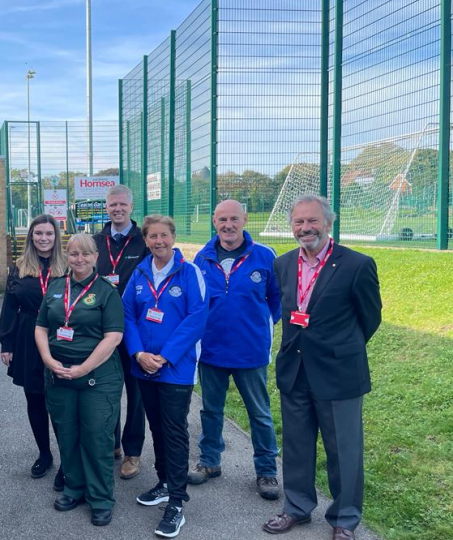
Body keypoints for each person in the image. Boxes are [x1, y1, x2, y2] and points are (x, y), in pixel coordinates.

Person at [262, 194, 382, 540]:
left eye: (312, 221)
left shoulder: (356, 264)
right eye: (299, 222)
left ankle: (344, 519)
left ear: (329, 223)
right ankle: (297, 508)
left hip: (338, 373)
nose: (305, 228)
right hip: (295, 370)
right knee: (297, 445)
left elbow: (369, 318)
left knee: (343, 450)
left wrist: (339, 349)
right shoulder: (283, 264)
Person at [189, 200, 282, 500]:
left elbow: (277, 301)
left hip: (250, 352)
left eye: (234, 219)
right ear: (214, 222)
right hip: (212, 351)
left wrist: (259, 326)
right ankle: (209, 462)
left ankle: (266, 471)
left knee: (260, 414)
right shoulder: (202, 258)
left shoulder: (265, 256)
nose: (228, 225)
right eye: (222, 220)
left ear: (245, 219)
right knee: (210, 411)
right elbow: (197, 302)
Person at [123, 215, 208, 538]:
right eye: (152, 237)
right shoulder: (140, 273)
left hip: (175, 369)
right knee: (156, 426)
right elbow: (128, 314)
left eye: (163, 235)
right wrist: (138, 353)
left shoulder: (190, 273)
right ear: (145, 240)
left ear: (173, 236)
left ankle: (176, 501)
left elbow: (197, 318)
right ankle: (163, 481)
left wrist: (166, 356)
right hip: (143, 366)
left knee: (174, 431)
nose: (158, 241)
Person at [35, 233, 125, 527]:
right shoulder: (57, 286)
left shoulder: (106, 291)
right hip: (59, 375)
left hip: (97, 377)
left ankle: (100, 498)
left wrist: (84, 368)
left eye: (85, 254)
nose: (79, 259)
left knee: (97, 439)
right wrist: (49, 361)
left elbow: (114, 336)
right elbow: (40, 327)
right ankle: (74, 488)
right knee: (67, 435)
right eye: (74, 254)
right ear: (67, 256)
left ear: (96, 257)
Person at [0, 214, 68, 487]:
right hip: (28, 337)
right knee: (35, 399)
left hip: (61, 337)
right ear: (31, 237)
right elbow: (9, 306)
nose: (43, 238)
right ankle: (44, 453)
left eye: (49, 234)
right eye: (38, 233)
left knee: (61, 400)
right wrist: (6, 343)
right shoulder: (19, 267)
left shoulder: (67, 265)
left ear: (56, 237)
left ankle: (67, 459)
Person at [93, 184, 149, 479]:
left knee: (135, 392)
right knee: (106, 389)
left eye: (122, 205)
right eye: (112, 205)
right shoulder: (96, 241)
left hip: (135, 329)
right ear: (107, 207)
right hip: (102, 329)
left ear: (131, 206)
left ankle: (133, 452)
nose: (117, 209)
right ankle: (112, 443)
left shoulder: (143, 241)